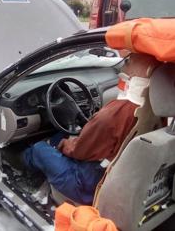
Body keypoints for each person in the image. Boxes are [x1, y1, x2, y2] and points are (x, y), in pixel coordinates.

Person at [21, 53, 160, 205]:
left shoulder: (113, 115)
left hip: (85, 185)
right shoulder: (157, 111)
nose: (124, 63)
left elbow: (79, 151)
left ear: (143, 72)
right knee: (62, 134)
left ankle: (20, 167)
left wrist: (66, 144)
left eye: (129, 61)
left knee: (39, 149)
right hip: (113, 176)